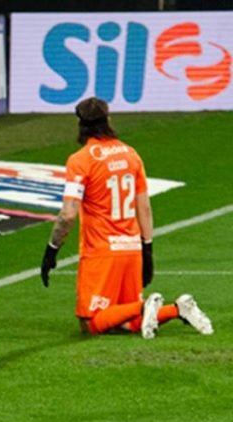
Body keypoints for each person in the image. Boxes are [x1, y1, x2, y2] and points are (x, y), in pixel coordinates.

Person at [40, 96, 212, 339]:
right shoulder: (131, 155)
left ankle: (144, 306)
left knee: (90, 323)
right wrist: (147, 250)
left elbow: (68, 215)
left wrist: (52, 249)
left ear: (80, 124)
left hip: (101, 252)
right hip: (131, 249)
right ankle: (178, 309)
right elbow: (145, 208)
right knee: (124, 321)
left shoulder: (80, 160)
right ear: (108, 119)